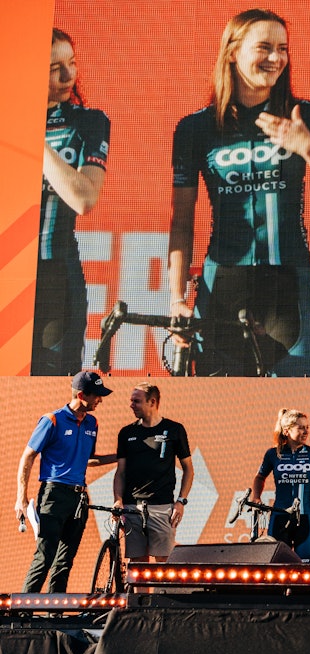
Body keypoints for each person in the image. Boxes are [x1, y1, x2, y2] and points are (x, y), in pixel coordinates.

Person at [168, 9, 310, 377]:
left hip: (287, 283)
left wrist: (308, 147)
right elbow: (181, 224)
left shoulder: (306, 115)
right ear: (232, 52)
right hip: (223, 283)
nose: (276, 58)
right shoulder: (195, 128)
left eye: (283, 49)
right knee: (219, 405)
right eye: (264, 47)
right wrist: (177, 300)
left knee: (300, 401)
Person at [33, 29, 109, 375]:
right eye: (54, 68)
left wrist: (30, 136)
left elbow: (84, 198)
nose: (69, 76)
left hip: (56, 276)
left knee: (52, 379)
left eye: (72, 63)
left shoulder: (89, 122)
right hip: (8, 272)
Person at [14, 371, 116, 592]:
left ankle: (54, 614)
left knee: (65, 561)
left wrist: (120, 456)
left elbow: (89, 460)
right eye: (96, 395)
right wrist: (21, 499)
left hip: (79, 497)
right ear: (81, 394)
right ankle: (22, 615)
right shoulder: (52, 419)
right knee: (45, 556)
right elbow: (28, 456)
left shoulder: (92, 423)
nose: (100, 399)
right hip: (54, 494)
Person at [113, 383, 194, 562]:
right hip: (132, 507)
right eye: (131, 401)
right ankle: (139, 592)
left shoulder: (175, 429)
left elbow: (188, 469)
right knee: (138, 567)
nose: (131, 405)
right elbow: (120, 472)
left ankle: (160, 592)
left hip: (162, 506)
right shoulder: (126, 433)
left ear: (152, 402)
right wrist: (118, 500)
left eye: (137, 401)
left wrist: (181, 501)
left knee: (162, 566)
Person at [251, 409, 310, 561]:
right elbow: (259, 477)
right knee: (277, 564)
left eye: (307, 427)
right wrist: (256, 497)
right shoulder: (273, 454)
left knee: (307, 564)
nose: (305, 431)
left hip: (305, 517)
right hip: (280, 516)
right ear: (287, 431)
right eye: (301, 427)